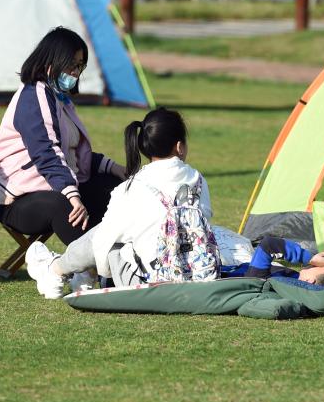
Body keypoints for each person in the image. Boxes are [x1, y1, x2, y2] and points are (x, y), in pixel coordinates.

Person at [25, 107, 214, 298]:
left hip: (145, 281)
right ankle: (79, 273)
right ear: (180, 146)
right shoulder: (198, 180)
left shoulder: (133, 186)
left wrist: (99, 270)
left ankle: (56, 270)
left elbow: (103, 239)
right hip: (196, 272)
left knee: (106, 235)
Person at [0, 27, 127, 250]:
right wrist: (72, 195)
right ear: (52, 60)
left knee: (115, 188)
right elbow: (47, 154)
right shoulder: (34, 96)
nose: (76, 72)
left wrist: (113, 168)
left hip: (52, 186)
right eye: (72, 64)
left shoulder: (59, 97)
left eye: (80, 65)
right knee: (65, 205)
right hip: (16, 201)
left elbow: (72, 153)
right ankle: (101, 261)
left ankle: (127, 251)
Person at [242, 235, 324, 308]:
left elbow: (268, 244)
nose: (321, 263)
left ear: (310, 281)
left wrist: (309, 258)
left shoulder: (259, 282)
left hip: (236, 268)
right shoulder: (299, 287)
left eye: (322, 266)